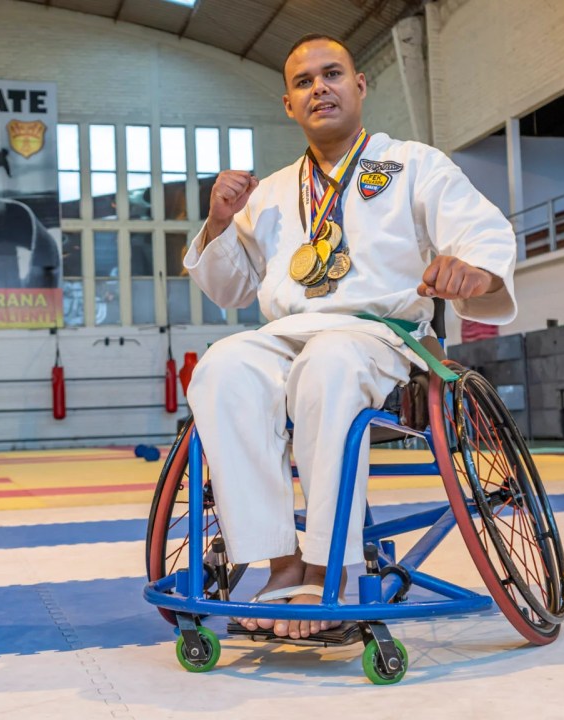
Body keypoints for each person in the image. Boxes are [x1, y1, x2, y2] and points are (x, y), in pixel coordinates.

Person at [183, 34, 518, 641]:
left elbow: (479, 231)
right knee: (221, 365)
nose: (320, 88)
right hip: (286, 334)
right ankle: (279, 562)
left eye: (332, 74)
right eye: (304, 82)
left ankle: (326, 566)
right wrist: (219, 222)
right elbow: (230, 288)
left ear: (359, 86)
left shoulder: (413, 163)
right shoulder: (271, 192)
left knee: (330, 361)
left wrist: (475, 270)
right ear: (289, 104)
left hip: (379, 335)